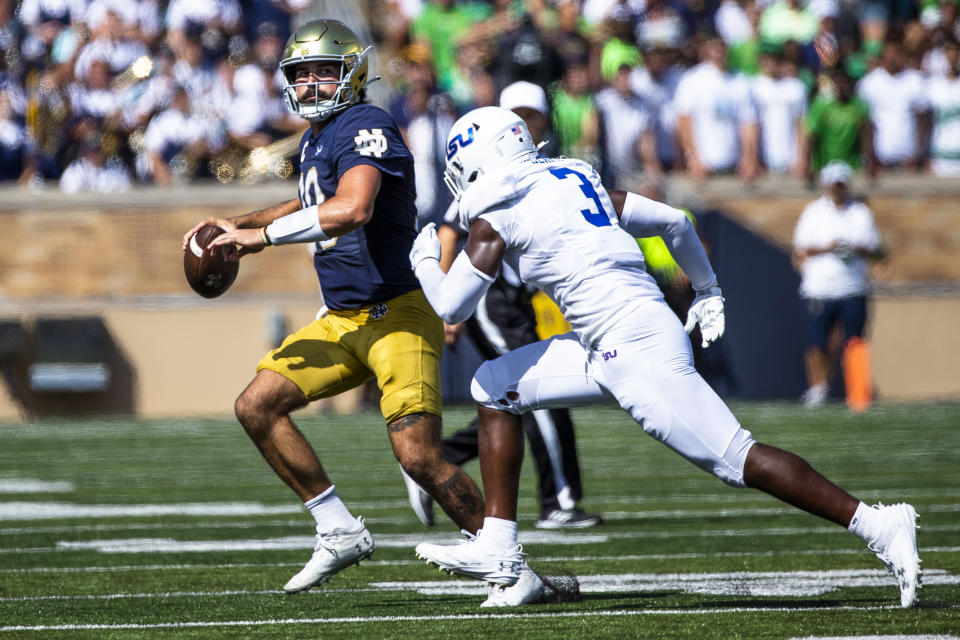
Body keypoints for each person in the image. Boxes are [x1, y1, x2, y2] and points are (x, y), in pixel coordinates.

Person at [410, 106, 920, 610]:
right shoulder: (574, 176)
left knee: (737, 459)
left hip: (632, 348)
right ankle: (502, 547)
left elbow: (451, 305)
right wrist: (707, 288)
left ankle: (878, 523)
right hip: (613, 337)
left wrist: (427, 261)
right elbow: (675, 222)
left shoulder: (499, 213)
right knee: (493, 386)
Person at [181, 19, 489, 598]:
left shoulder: (366, 123)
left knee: (418, 457)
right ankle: (338, 528)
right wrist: (240, 223)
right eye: (302, 73)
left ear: (353, 71)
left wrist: (261, 241)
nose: (313, 83)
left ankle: (506, 556)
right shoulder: (318, 138)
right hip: (344, 318)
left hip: (396, 310)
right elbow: (311, 199)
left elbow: (352, 208)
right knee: (257, 405)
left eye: (325, 71)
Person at [401, 80, 602, 532]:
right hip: (488, 298)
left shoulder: (544, 169)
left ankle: (437, 460)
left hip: (516, 299)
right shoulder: (488, 175)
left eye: (535, 117)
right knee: (539, 395)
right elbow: (451, 230)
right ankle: (559, 502)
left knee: (513, 398)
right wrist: (448, 304)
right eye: (520, 118)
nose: (529, 126)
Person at [792, 161, 884, 410]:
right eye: (833, 185)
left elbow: (873, 248)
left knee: (854, 341)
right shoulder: (813, 212)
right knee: (817, 343)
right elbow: (802, 248)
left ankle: (857, 391)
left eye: (841, 184)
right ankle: (818, 387)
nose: (837, 189)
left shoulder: (860, 213)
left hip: (852, 287)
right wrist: (829, 246)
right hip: (819, 287)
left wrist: (851, 246)